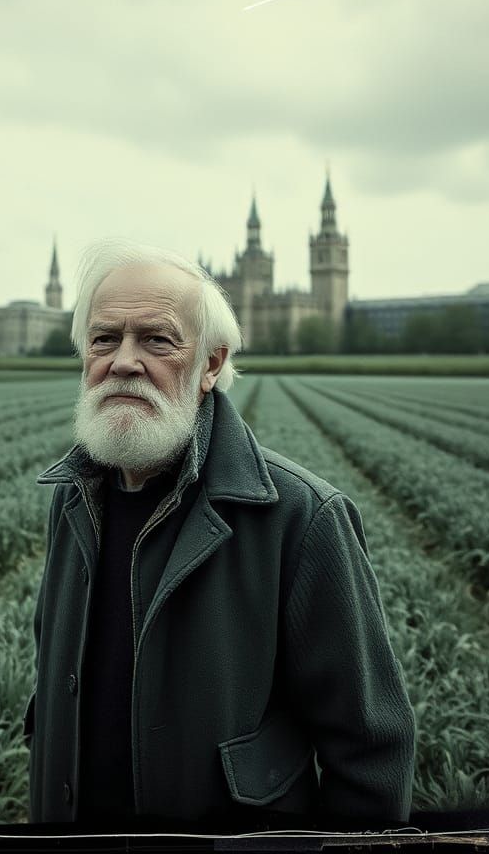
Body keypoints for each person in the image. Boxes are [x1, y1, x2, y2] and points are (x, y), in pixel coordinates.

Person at [26, 239, 415, 831]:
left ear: (210, 365)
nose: (124, 360)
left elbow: (369, 749)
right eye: (105, 338)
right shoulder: (72, 498)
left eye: (157, 339)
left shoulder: (301, 517)